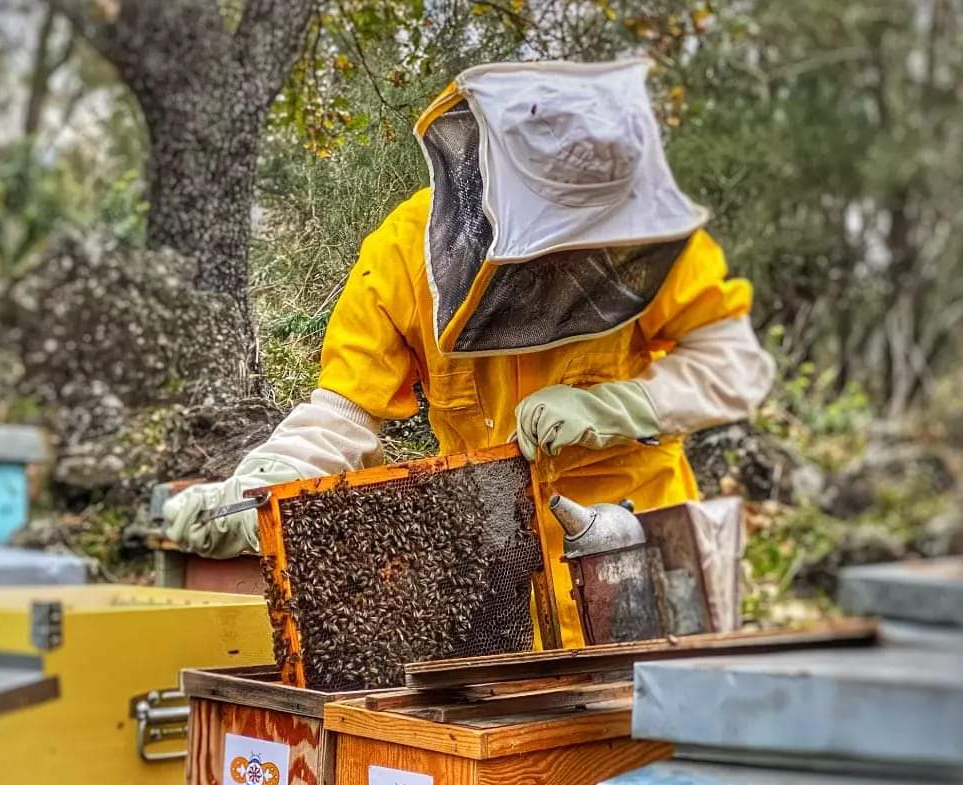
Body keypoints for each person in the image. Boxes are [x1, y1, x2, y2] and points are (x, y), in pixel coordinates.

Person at [164, 58, 774, 645]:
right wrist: (267, 482)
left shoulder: (646, 238)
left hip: (637, 558)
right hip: (496, 568)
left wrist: (621, 407)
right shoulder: (405, 254)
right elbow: (344, 412)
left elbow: (735, 368)